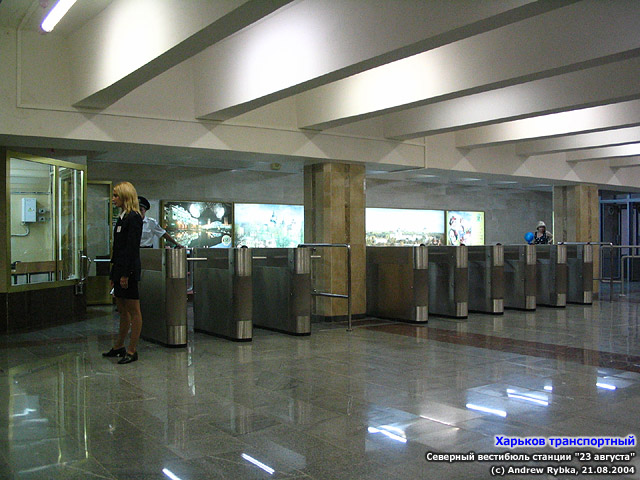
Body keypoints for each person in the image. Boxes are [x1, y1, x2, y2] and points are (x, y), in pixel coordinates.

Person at [103, 182, 143, 364]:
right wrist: (114, 274)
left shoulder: (134, 218)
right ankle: (119, 346)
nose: (113, 199)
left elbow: (131, 248)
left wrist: (126, 274)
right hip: (119, 268)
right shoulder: (121, 218)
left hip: (129, 269)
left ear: (125, 196)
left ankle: (132, 350)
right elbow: (118, 249)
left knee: (133, 310)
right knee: (122, 309)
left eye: (116, 195)